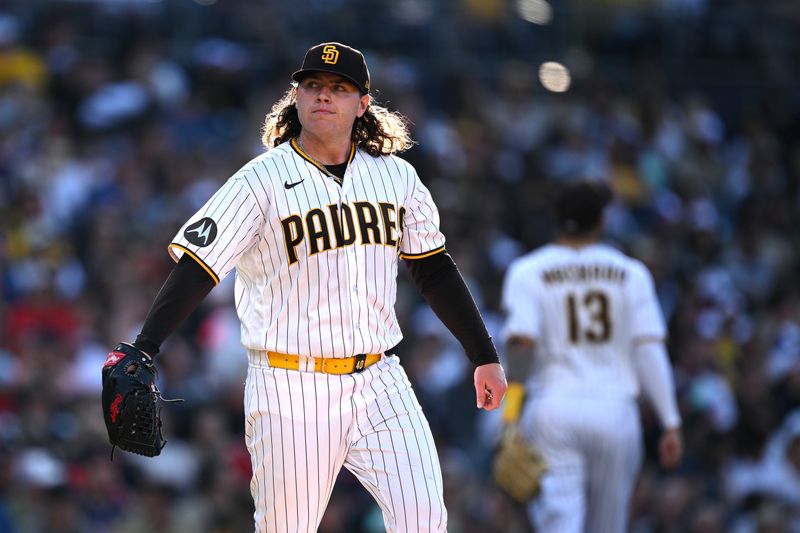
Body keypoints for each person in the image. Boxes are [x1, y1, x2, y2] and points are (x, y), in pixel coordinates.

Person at [102, 42, 507, 532]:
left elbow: (434, 269)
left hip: (380, 377)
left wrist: (482, 353)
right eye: (313, 85)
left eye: (339, 88)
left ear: (362, 104)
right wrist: (147, 344)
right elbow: (199, 267)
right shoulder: (261, 179)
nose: (323, 96)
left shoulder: (396, 176)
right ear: (295, 96)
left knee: (425, 519)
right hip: (291, 383)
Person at [499, 181, 683, 533]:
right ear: (602, 221)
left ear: (556, 219)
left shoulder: (528, 270)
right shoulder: (632, 273)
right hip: (616, 410)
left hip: (554, 407)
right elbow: (648, 348)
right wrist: (669, 420)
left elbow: (522, 344)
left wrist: (510, 416)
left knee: (559, 524)